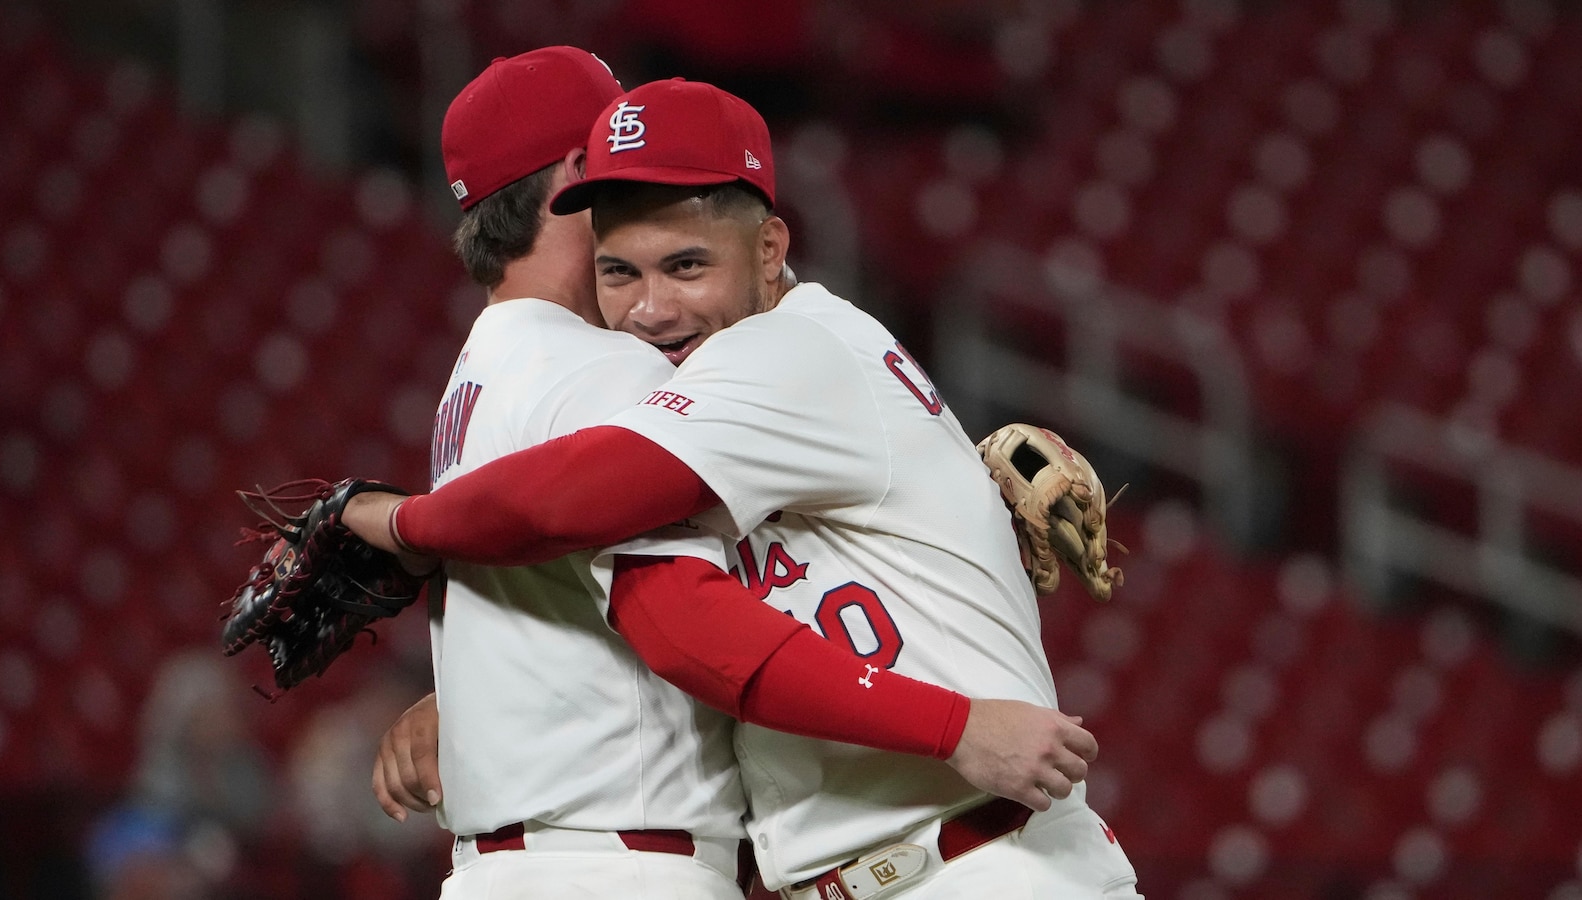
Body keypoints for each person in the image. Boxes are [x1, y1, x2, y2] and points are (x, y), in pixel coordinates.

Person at [355, 78, 1141, 898]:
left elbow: (570, 502)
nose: (651, 309)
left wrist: (389, 520)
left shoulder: (780, 353)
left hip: (986, 866)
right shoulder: (723, 385)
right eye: (619, 271)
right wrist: (480, 696)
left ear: (769, 250)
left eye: (687, 266)